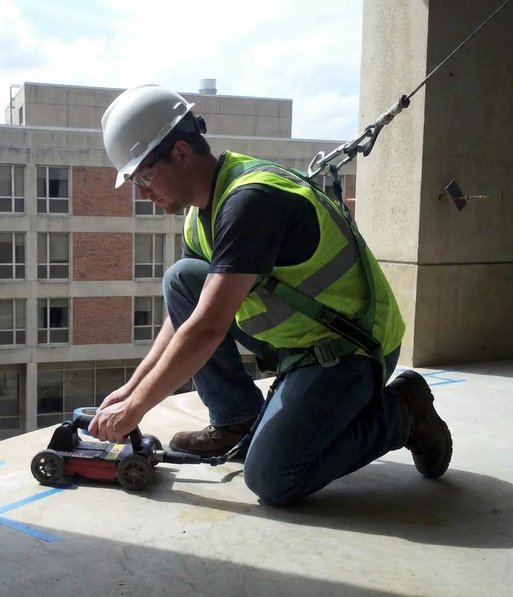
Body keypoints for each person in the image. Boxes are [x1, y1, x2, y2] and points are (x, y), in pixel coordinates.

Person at [88, 84, 452, 504]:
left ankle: (404, 411)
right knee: (182, 278)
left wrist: (136, 411)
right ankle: (237, 420)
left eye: (145, 175)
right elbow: (187, 316)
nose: (143, 192)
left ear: (182, 153)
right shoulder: (199, 216)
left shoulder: (250, 201)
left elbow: (207, 328)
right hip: (298, 342)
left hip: (350, 350)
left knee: (274, 478)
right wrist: (132, 388)